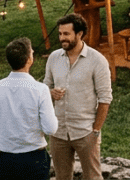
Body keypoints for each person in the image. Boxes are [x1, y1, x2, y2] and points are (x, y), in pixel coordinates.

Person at [43, 13, 113, 180]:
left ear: (80, 34)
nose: (62, 38)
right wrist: (50, 92)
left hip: (85, 132)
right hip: (58, 132)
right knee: (61, 177)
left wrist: (95, 131)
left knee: (92, 177)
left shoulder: (97, 60)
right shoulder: (54, 58)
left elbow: (105, 98)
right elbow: (45, 87)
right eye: (60, 34)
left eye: (66, 34)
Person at [0, 37, 58, 180]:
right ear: (29, 59)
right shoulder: (40, 89)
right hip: (34, 158)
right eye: (32, 52)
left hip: (7, 160)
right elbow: (50, 128)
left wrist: (7, 128)